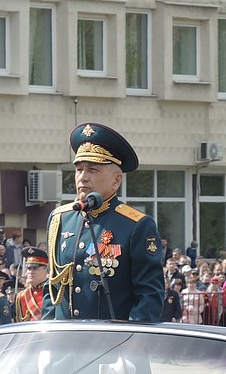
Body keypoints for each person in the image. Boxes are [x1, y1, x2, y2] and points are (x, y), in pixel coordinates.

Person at [43, 122, 165, 321]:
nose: (83, 177)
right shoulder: (60, 219)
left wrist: (130, 343)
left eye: (93, 170)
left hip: (112, 343)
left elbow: (149, 297)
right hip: (65, 342)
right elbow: (52, 291)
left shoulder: (136, 225)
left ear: (116, 180)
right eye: (79, 169)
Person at [15, 247, 48, 321]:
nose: (30, 272)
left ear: (46, 270)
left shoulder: (53, 292)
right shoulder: (22, 296)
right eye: (29, 268)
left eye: (35, 268)